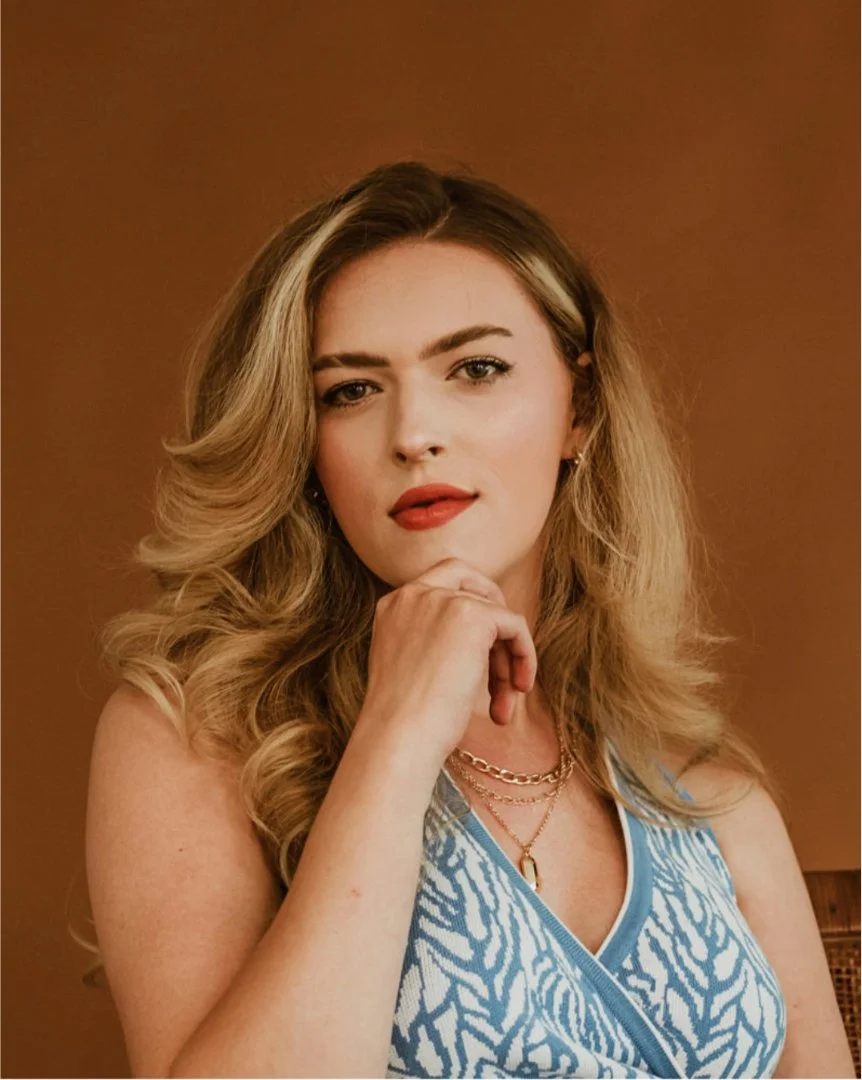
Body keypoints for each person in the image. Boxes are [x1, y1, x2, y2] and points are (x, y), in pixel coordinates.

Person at [84, 161, 854, 1079]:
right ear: (301, 439)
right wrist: (396, 735)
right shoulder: (193, 738)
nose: (414, 431)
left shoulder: (712, 803)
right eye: (351, 390)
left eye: (476, 368)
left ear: (583, 410)